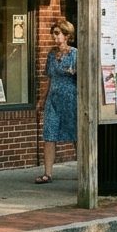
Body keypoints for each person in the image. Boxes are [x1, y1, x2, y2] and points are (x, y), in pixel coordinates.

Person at [36, 18, 77, 183]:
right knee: (49, 134)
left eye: (57, 33)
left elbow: (82, 78)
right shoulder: (52, 55)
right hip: (53, 99)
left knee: (76, 134)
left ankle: (84, 170)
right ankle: (48, 173)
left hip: (71, 99)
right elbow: (49, 78)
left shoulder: (75, 54)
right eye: (53, 34)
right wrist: (42, 99)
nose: (54, 37)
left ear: (66, 35)